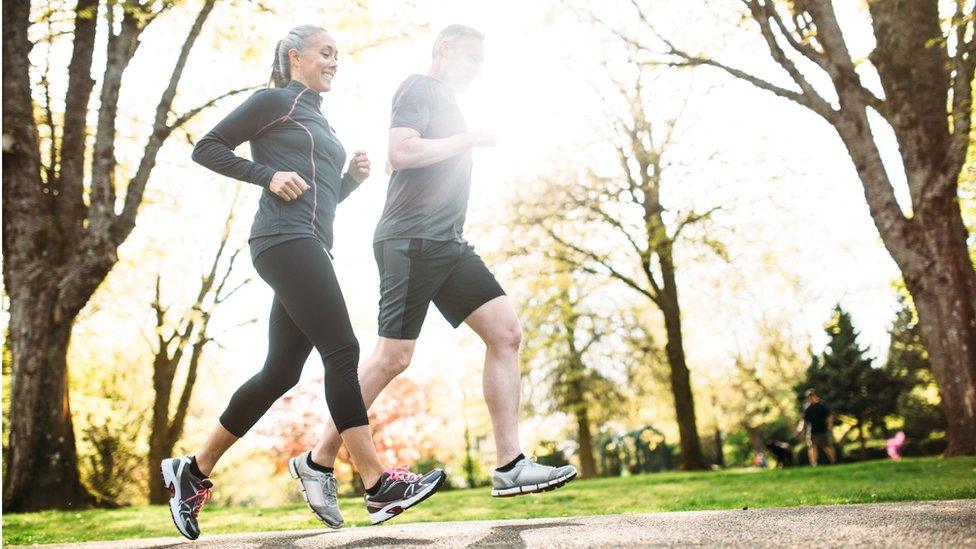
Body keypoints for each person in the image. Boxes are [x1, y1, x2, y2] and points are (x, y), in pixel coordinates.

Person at [285, 24, 577, 526]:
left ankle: (509, 465)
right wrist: (469, 139)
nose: (477, 70)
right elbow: (401, 152)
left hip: (448, 244)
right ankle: (317, 459)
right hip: (409, 241)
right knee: (393, 357)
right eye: (471, 58)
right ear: (444, 51)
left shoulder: (448, 99)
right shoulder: (419, 87)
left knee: (507, 332)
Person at [161, 25, 444, 540]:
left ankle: (192, 470)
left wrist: (350, 182)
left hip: (304, 241)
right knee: (342, 349)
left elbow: (319, 200)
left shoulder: (315, 116)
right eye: (326, 53)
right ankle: (377, 483)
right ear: (296, 58)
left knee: (280, 373)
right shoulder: (276, 100)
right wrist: (264, 176)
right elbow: (207, 147)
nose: (335, 61)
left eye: (339, 54)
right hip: (282, 240)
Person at [796, 388, 837, 466]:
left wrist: (830, 426)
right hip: (812, 431)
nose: (810, 398)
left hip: (823, 430)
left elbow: (829, 416)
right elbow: (803, 420)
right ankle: (814, 464)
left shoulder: (822, 405)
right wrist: (800, 429)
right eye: (809, 397)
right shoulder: (807, 408)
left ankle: (833, 462)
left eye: (812, 396)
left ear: (815, 396)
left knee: (827, 447)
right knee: (812, 447)